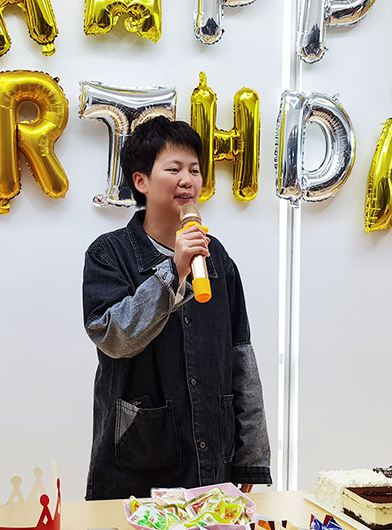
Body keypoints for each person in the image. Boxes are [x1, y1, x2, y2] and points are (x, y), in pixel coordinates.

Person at [82, 115, 271, 500]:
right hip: (135, 468)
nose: (188, 180)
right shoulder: (109, 253)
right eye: (174, 169)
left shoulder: (216, 257)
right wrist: (174, 270)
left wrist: (250, 455)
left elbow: (240, 355)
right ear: (141, 181)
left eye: (195, 170)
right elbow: (114, 337)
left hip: (212, 458)